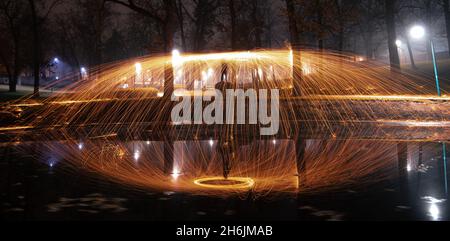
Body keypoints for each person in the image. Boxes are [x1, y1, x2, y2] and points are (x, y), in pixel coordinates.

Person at [214, 62, 235, 179]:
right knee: (228, 148)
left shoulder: (219, 86)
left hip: (223, 116)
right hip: (226, 116)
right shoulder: (229, 86)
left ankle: (226, 168)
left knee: (225, 147)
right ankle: (226, 168)